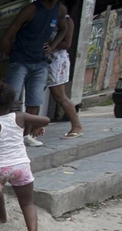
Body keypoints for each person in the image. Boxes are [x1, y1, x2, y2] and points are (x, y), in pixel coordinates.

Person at [0, 81, 50, 231]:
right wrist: (36, 126)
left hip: (1, 168)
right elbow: (46, 120)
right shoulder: (20, 117)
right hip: (21, 166)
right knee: (28, 203)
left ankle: (1, 214)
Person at [1, 0, 67, 147]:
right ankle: (6, 135)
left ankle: (27, 135)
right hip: (20, 62)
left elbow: (63, 29)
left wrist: (53, 46)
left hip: (40, 63)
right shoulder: (31, 9)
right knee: (10, 100)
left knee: (35, 101)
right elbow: (6, 37)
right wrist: (13, 57)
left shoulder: (59, 9)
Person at [47, 1, 84, 138]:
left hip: (57, 60)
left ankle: (77, 125)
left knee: (60, 96)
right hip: (46, 59)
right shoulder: (50, 18)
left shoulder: (67, 21)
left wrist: (50, 45)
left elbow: (67, 43)